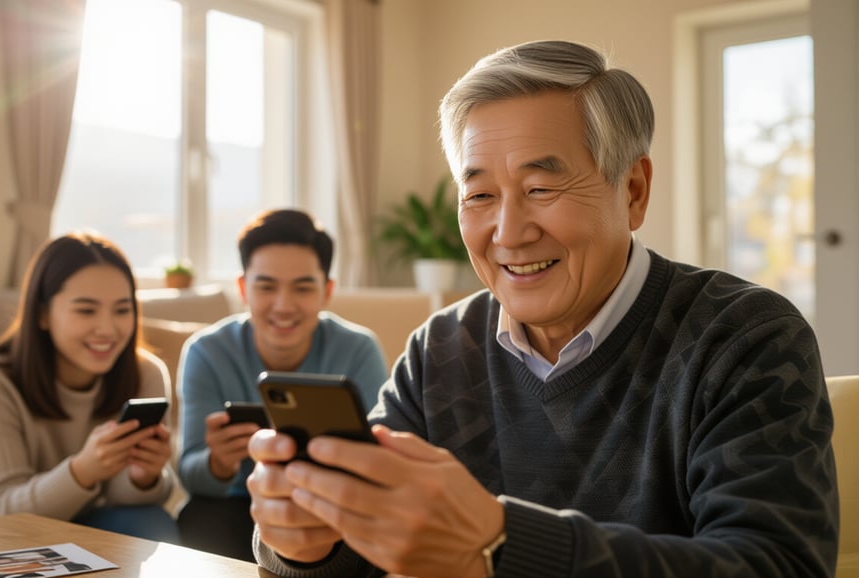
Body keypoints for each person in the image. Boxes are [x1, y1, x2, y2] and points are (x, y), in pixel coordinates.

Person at [246, 40, 838, 577]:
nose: (508, 232)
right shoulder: (441, 350)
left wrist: (499, 545)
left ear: (633, 191)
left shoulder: (745, 338)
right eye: (479, 195)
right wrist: (305, 542)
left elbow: (777, 564)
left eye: (540, 189)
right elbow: (361, 546)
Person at [0, 231, 181, 544]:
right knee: (7, 542)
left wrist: (143, 476)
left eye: (122, 310)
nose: (108, 329)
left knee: (151, 523)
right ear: (42, 313)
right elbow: (2, 509)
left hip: (85, 513)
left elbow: (125, 499)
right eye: (86, 310)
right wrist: (83, 470)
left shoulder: (144, 372)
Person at [177, 208, 389, 561]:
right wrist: (218, 463)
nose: (283, 305)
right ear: (243, 289)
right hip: (234, 506)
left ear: (327, 291)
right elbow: (190, 475)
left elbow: (378, 460)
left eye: (303, 287)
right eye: (266, 286)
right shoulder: (206, 351)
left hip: (331, 505)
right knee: (199, 518)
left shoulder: (359, 349)